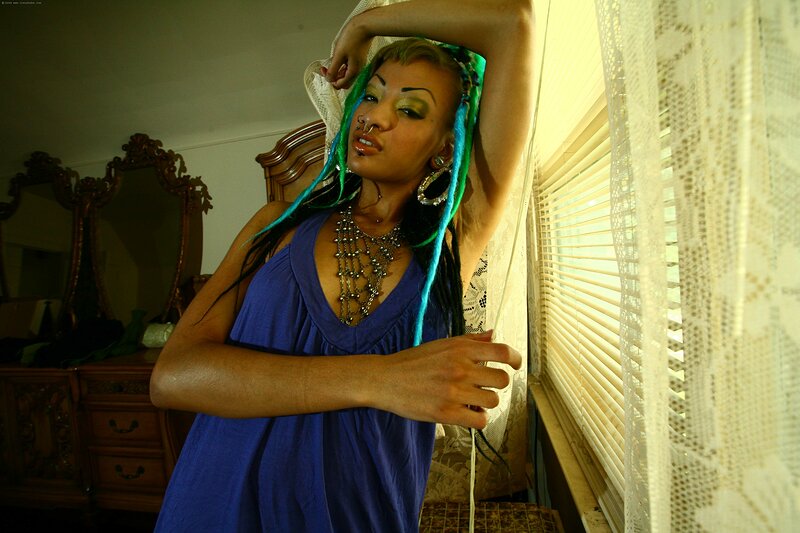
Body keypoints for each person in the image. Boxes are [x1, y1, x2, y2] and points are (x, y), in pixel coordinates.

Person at [150, 1, 535, 531]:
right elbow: (173, 377)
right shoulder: (276, 226)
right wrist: (381, 379)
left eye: (411, 109)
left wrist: (368, 22)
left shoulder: (450, 243)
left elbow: (513, 24)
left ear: (445, 150)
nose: (375, 115)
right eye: (371, 96)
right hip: (216, 509)